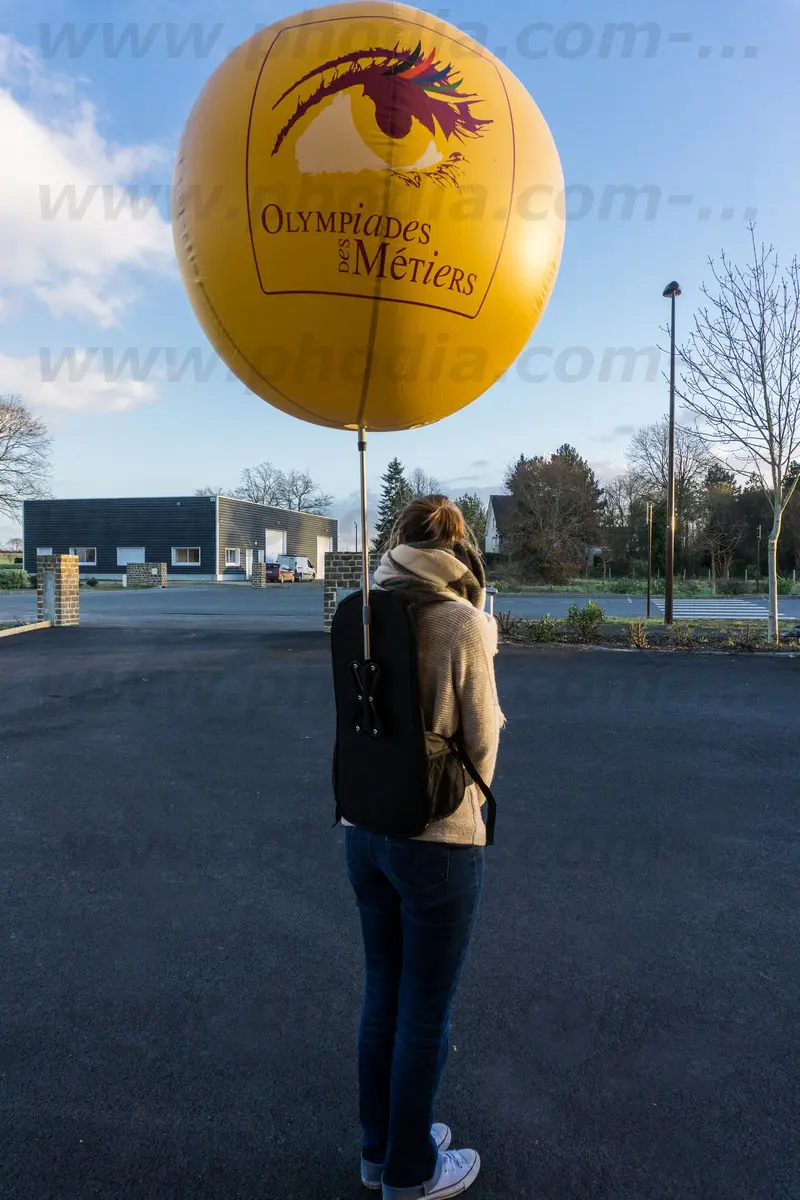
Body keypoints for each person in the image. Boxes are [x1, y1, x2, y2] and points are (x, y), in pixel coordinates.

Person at [343, 495, 504, 1200]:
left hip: (362, 830)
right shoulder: (462, 622)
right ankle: (411, 1172)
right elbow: (483, 738)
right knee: (426, 1008)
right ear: (460, 547)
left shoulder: (362, 611)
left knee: (384, 994)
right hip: (436, 841)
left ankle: (381, 1151)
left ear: (396, 542)